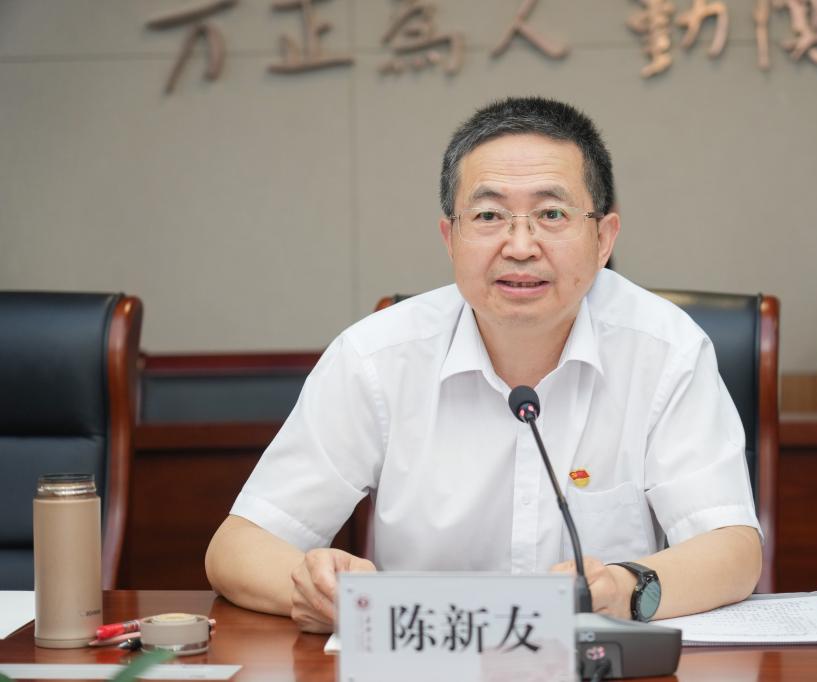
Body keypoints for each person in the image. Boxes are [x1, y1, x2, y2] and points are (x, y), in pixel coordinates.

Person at [206, 97, 762, 633]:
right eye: (489, 215)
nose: (520, 246)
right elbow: (238, 547)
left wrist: (624, 588)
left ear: (603, 238)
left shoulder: (666, 351)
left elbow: (733, 550)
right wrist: (321, 591)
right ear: (451, 238)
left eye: (551, 214)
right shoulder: (376, 358)